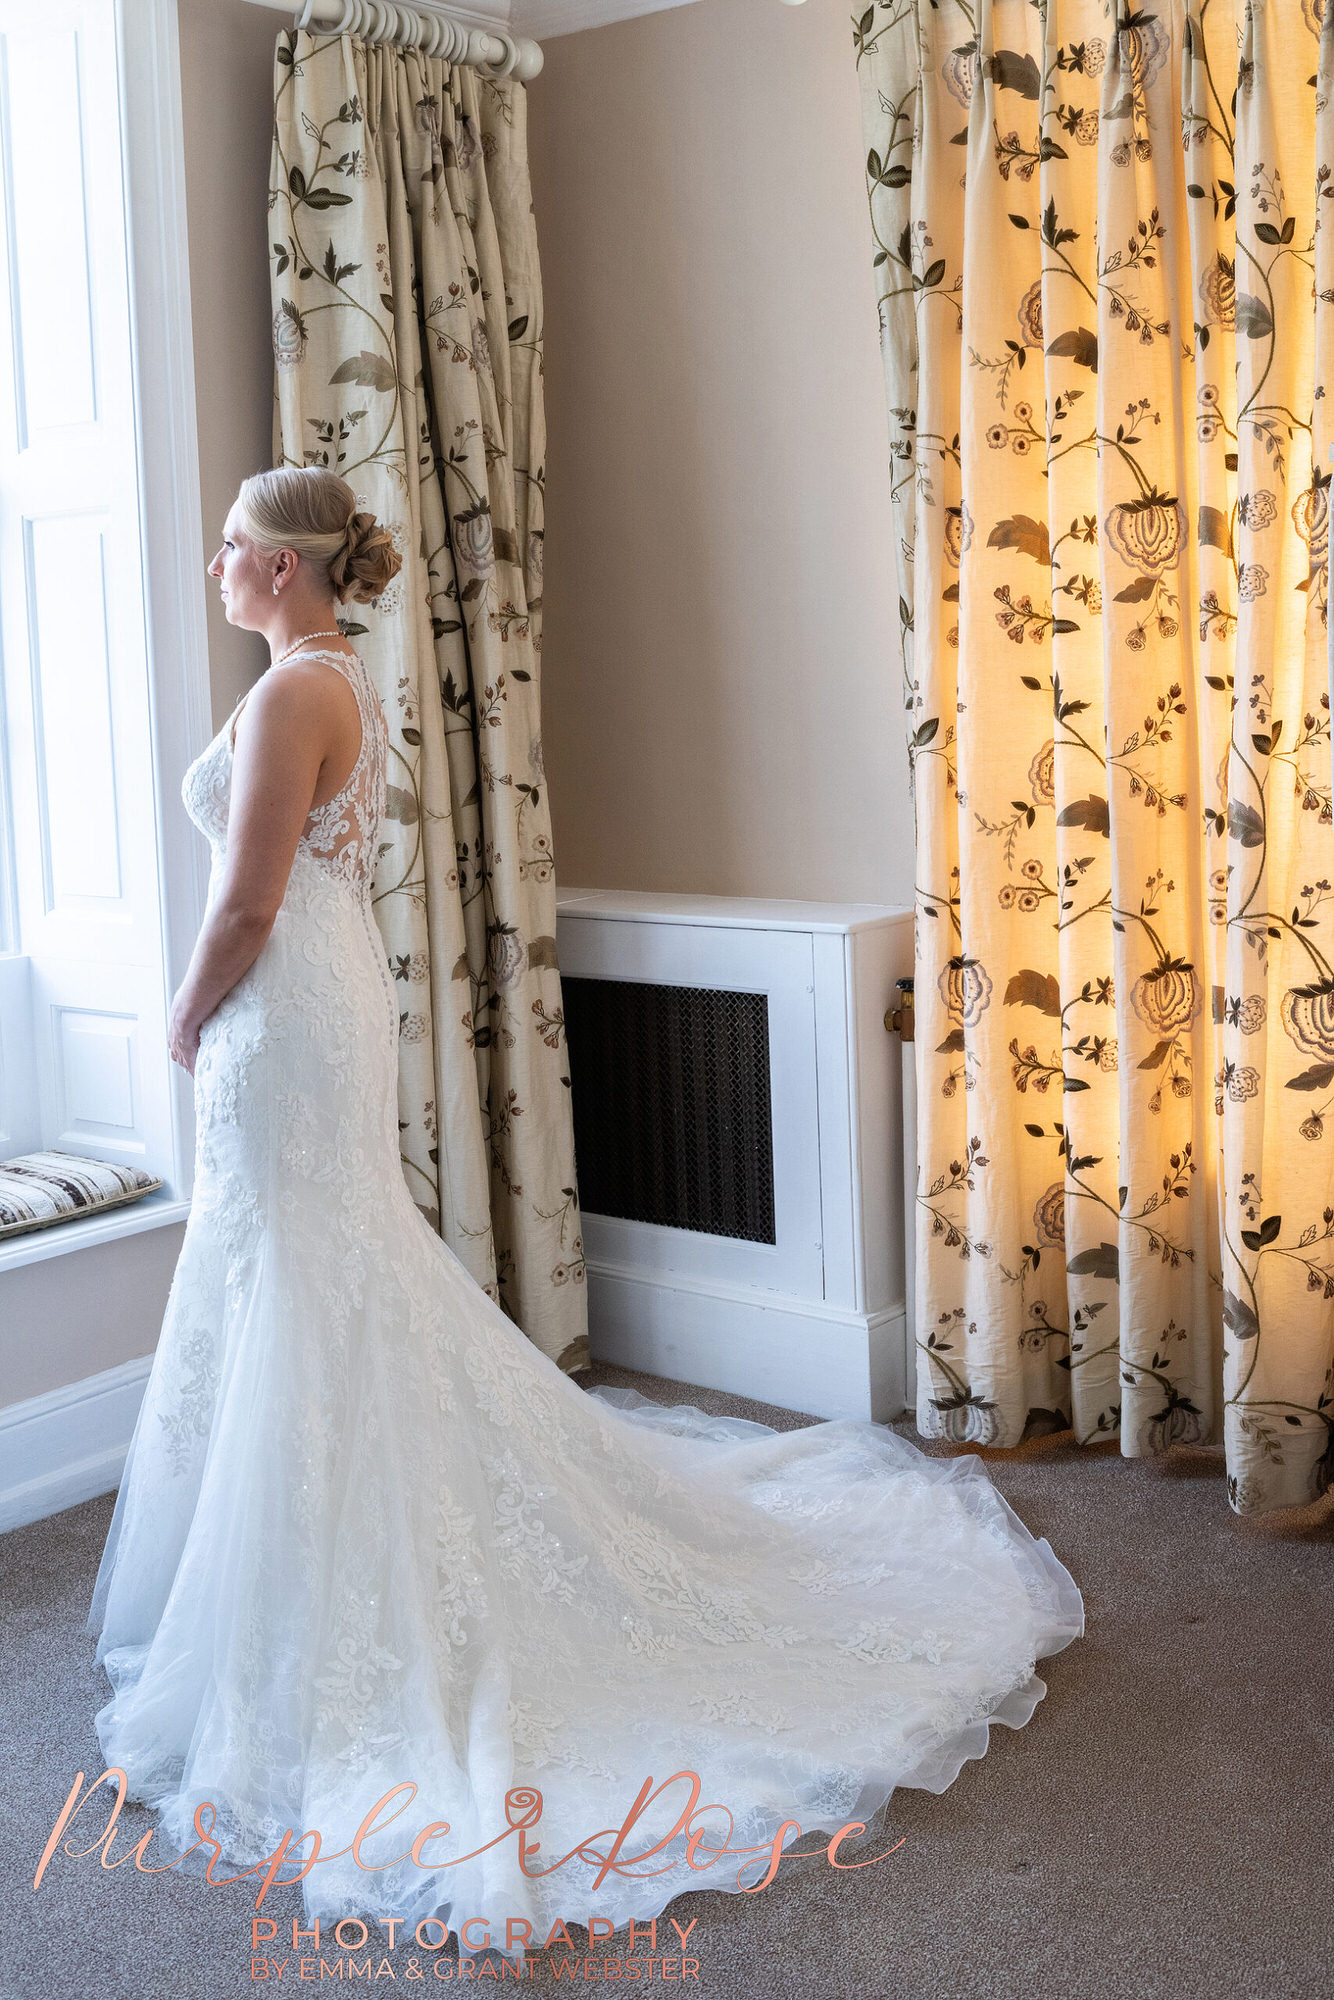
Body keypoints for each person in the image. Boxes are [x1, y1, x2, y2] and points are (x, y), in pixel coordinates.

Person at [88, 466, 1084, 1965]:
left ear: (286, 569)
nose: (216, 564)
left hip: (280, 1010)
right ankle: (300, 1555)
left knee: (309, 1269)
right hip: (314, 1005)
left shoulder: (300, 694)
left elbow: (245, 900)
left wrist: (178, 1016)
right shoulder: (331, 675)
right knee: (311, 1274)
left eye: (234, 546)